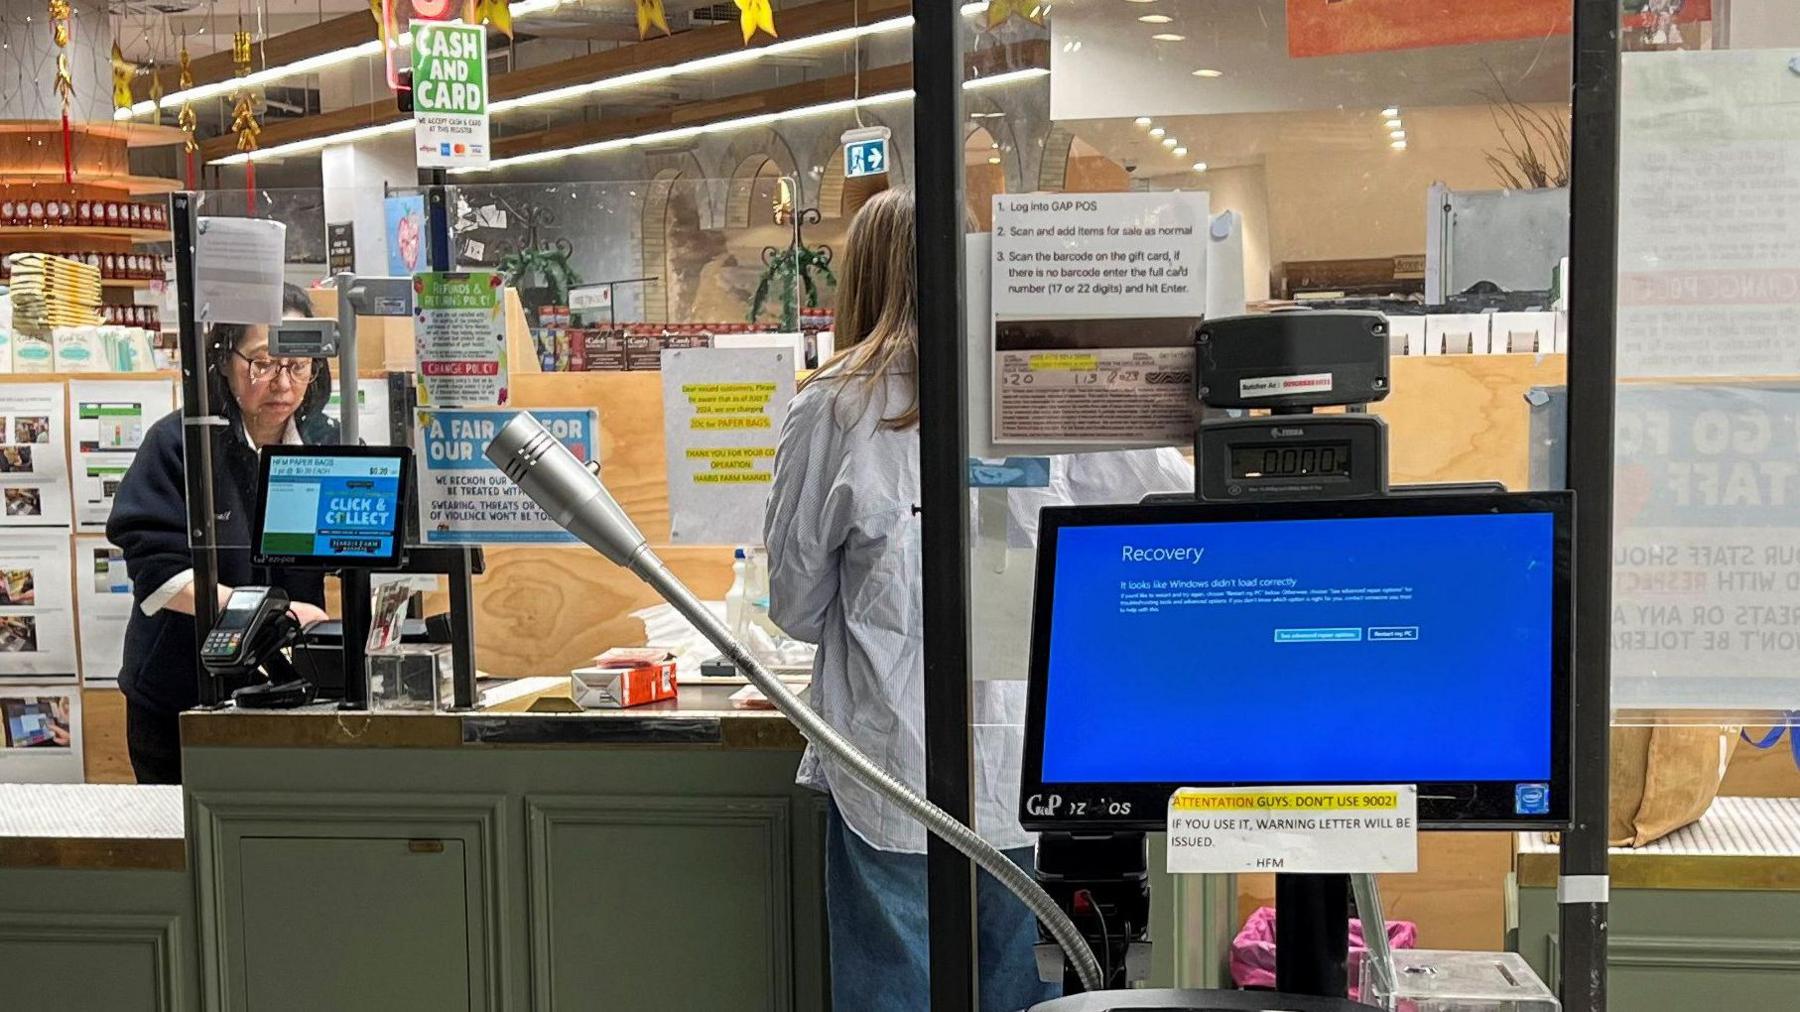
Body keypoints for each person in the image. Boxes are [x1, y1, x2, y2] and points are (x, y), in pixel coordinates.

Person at [765, 189, 1190, 1011]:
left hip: (889, 772)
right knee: (1017, 993)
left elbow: (794, 604)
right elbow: (1168, 510)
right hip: (1027, 773)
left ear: (862, 279)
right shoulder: (1044, 383)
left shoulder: (836, 406)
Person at [108, 283, 338, 784]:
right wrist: (271, 613)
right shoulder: (179, 442)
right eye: (262, 363)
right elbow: (158, 573)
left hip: (287, 694)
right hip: (180, 694)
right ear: (224, 361)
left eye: (298, 366)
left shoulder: (325, 442)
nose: (282, 383)